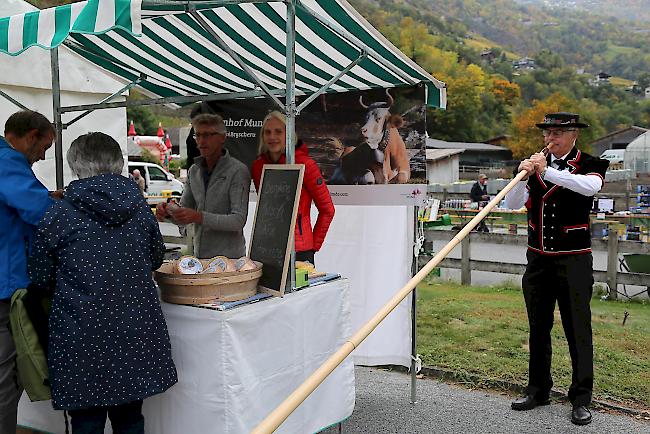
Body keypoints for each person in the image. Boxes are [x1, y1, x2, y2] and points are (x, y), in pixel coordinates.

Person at [28, 132, 177, 433]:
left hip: (80, 335)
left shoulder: (57, 214)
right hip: (133, 330)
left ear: (75, 166)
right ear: (119, 164)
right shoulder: (139, 210)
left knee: (86, 422)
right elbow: (155, 258)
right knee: (131, 418)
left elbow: (40, 276)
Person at [504, 112, 609, 426]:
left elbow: (589, 188)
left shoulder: (591, 164)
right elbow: (511, 204)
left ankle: (580, 398)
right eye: (547, 134)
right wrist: (523, 175)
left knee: (578, 329)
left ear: (573, 134)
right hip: (538, 260)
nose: (550, 139)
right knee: (538, 327)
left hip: (574, 260)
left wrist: (546, 172)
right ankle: (537, 390)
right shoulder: (536, 166)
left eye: (557, 134)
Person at [0, 110, 55, 434]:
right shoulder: (7, 162)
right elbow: (39, 211)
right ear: (31, 136)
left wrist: (49, 196)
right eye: (44, 146)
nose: (44, 155)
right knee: (6, 379)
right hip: (6, 289)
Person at [156, 113, 250, 259]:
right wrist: (169, 213)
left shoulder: (238, 171)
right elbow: (185, 212)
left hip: (231, 260)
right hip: (199, 257)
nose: (201, 141)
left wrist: (198, 217)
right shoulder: (194, 171)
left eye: (207, 135)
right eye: (197, 135)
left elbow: (238, 221)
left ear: (222, 138)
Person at [251, 111, 335, 265]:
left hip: (300, 251)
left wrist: (313, 246)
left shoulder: (306, 165)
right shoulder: (258, 167)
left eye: (278, 132)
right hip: (269, 247)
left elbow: (328, 210)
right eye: (267, 132)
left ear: (289, 134)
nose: (272, 137)